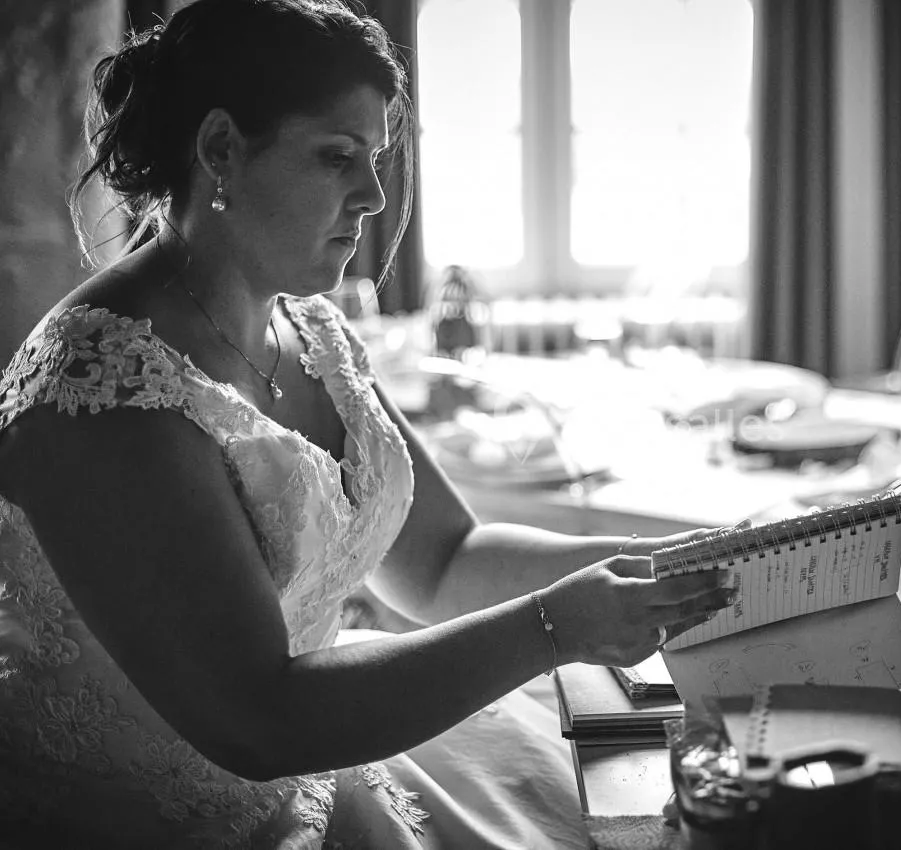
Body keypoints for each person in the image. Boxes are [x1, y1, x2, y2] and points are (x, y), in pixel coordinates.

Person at [0, 1, 735, 846]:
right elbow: (258, 721)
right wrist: (553, 628)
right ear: (221, 149)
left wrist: (670, 562)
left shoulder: (310, 331)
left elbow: (446, 561)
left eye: (377, 160)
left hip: (329, 754)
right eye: (337, 156)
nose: (375, 196)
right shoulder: (100, 390)